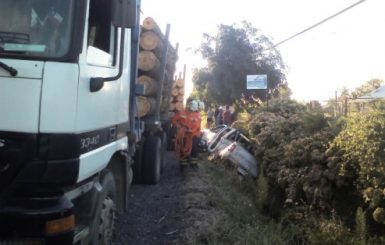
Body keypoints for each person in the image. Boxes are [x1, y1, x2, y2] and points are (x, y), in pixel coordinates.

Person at [171, 100, 200, 171]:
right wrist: (178, 127)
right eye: (190, 110)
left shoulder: (196, 115)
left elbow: (197, 126)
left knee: (194, 149)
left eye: (192, 110)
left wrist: (191, 131)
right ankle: (183, 165)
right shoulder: (181, 112)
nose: (191, 111)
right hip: (184, 135)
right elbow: (174, 120)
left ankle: (193, 164)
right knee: (183, 149)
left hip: (193, 135)